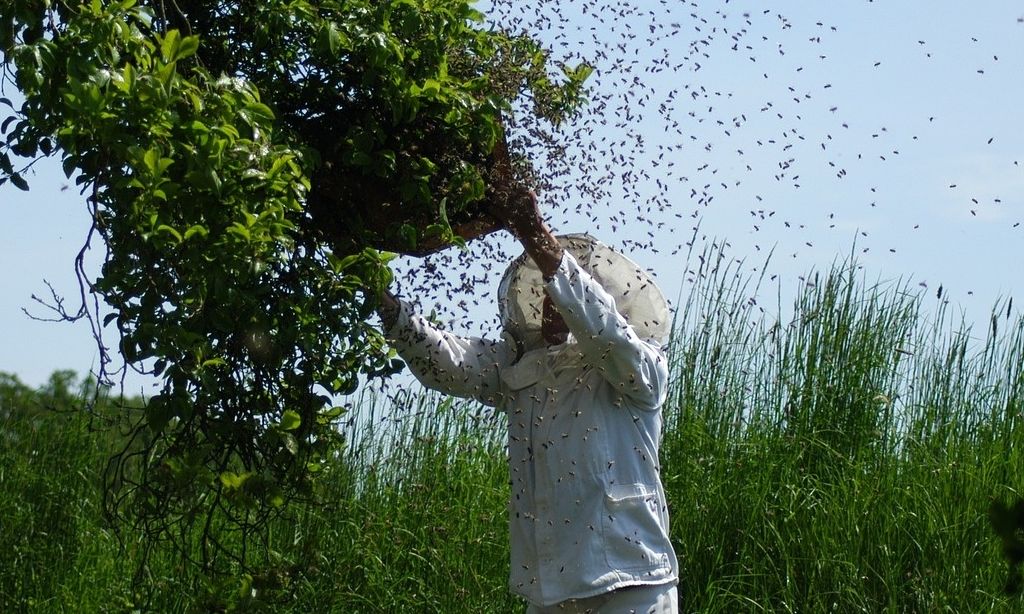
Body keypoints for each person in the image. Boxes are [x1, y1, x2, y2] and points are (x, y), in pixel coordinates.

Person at [378, 189, 679, 613]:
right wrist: (386, 304)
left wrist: (535, 234)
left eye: (560, 298)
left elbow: (604, 331)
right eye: (546, 299)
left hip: (631, 584)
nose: (551, 308)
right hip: (549, 592)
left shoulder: (639, 369)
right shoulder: (523, 367)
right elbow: (448, 362)